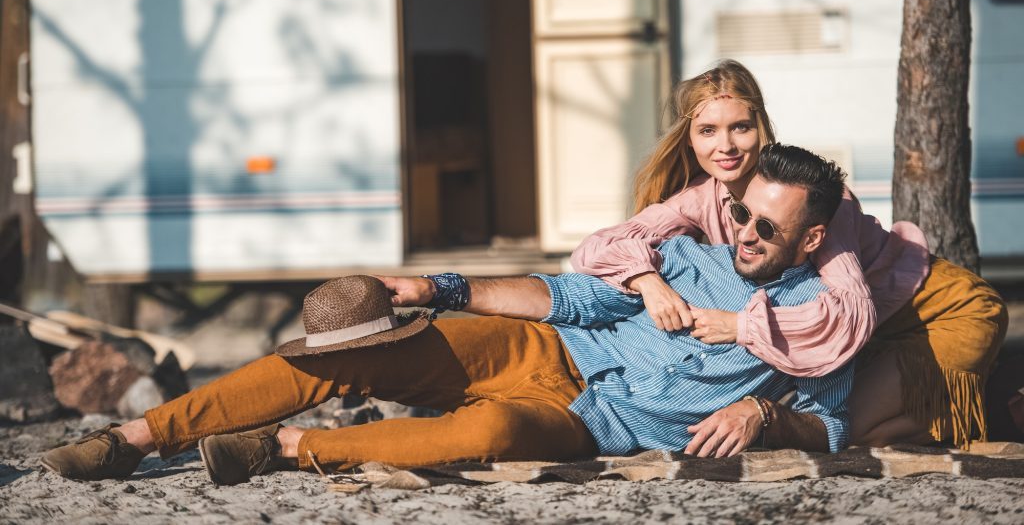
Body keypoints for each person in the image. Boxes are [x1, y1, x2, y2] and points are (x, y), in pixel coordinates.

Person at [43, 145, 852, 484]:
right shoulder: (687, 252)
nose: (743, 233)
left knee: (491, 438)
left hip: (593, 421)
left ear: (810, 236)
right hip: (546, 348)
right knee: (348, 355)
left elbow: (834, 426)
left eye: (766, 228)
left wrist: (764, 412)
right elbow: (568, 294)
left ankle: (289, 449)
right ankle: (134, 438)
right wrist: (446, 290)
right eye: (742, 214)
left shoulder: (825, 321)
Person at [571, 59, 1008, 448]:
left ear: (761, 128)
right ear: (689, 141)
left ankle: (999, 414)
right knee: (843, 415)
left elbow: (851, 315)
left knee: (841, 430)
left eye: (740, 127)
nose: (725, 146)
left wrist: (741, 325)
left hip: (944, 308)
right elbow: (596, 248)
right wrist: (647, 283)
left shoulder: (806, 196)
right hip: (867, 327)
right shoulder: (699, 198)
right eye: (708, 130)